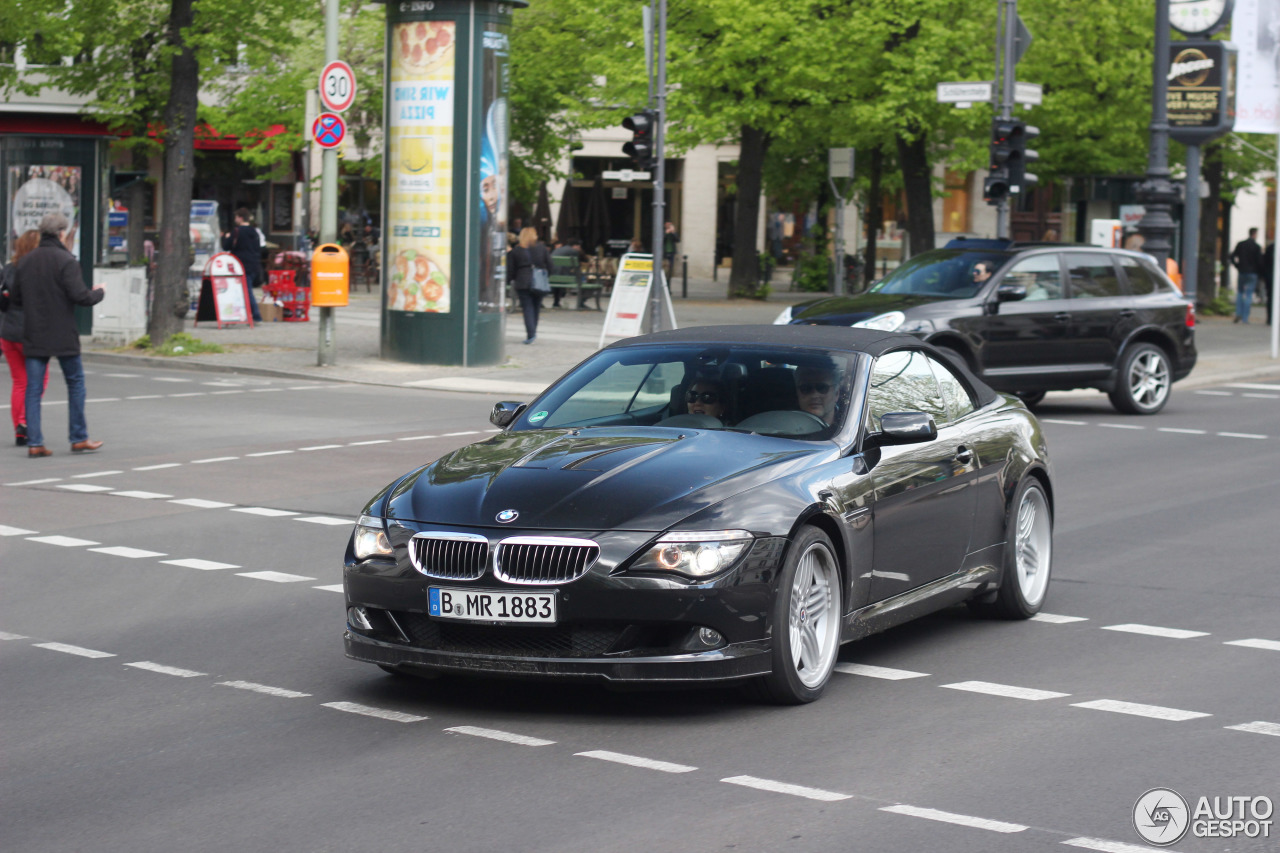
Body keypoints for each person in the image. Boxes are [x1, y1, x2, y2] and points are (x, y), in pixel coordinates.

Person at [11, 212, 105, 457]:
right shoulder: (66, 261)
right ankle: (78, 437)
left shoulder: (26, 262)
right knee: (75, 383)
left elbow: (17, 298)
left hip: (34, 332)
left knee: (33, 388)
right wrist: (98, 293)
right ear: (61, 233)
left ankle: (35, 442)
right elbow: (80, 297)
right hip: (63, 333)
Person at [1, 230, 47, 445]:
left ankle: (19, 429)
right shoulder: (37, 270)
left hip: (8, 332)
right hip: (31, 333)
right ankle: (26, 421)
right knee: (39, 380)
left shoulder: (9, 269)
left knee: (20, 382)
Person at [507, 226, 550, 344]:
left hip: (522, 281)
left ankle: (531, 333)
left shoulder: (516, 250)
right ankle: (533, 331)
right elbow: (550, 264)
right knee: (536, 307)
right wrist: (546, 276)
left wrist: (510, 280)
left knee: (527, 308)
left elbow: (511, 269)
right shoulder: (541, 249)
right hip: (539, 281)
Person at [221, 207, 264, 322]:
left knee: (246, 290)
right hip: (254, 263)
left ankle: (256, 316)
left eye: (236, 217)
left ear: (240, 218)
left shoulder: (237, 231)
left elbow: (226, 246)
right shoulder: (254, 231)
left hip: (241, 264)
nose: (235, 219)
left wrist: (225, 238)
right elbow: (258, 248)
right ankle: (244, 314)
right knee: (246, 288)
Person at [1230, 228, 1264, 324]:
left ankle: (1238, 313)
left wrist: (1238, 266)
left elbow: (1232, 256)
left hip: (1242, 271)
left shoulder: (1241, 244)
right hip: (1252, 273)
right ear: (1255, 234)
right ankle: (1245, 318)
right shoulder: (1256, 247)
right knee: (1248, 295)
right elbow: (1259, 262)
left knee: (1240, 293)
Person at [550, 237, 590, 310]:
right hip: (566, 278)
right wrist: (580, 251)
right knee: (586, 281)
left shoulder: (558, 250)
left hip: (553, 276)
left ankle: (556, 302)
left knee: (559, 278)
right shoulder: (573, 251)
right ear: (576, 246)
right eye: (579, 246)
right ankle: (581, 302)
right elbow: (578, 265)